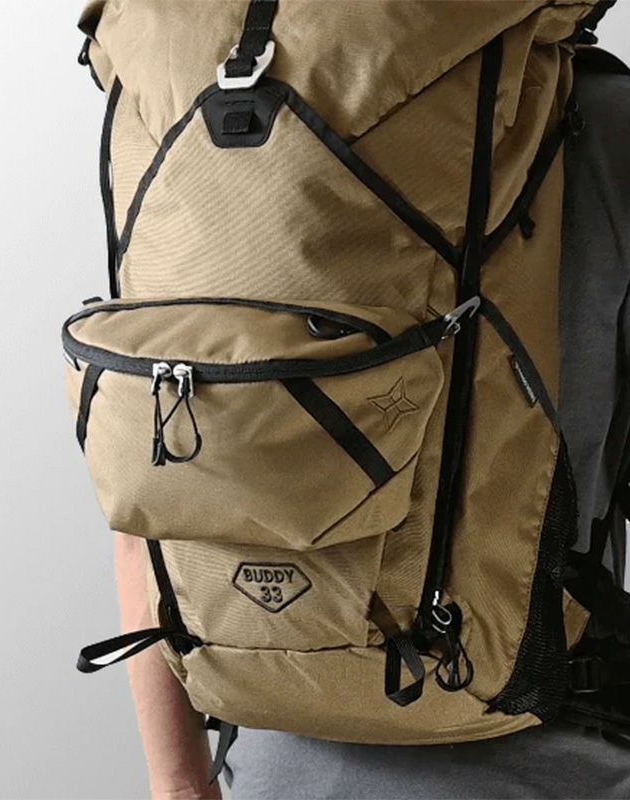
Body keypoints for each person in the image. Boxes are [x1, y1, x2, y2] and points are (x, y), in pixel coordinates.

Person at [113, 48, 630, 800]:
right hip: (552, 760)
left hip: (272, 763)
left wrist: (180, 784)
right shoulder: (599, 120)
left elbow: (151, 484)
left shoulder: (200, 119)